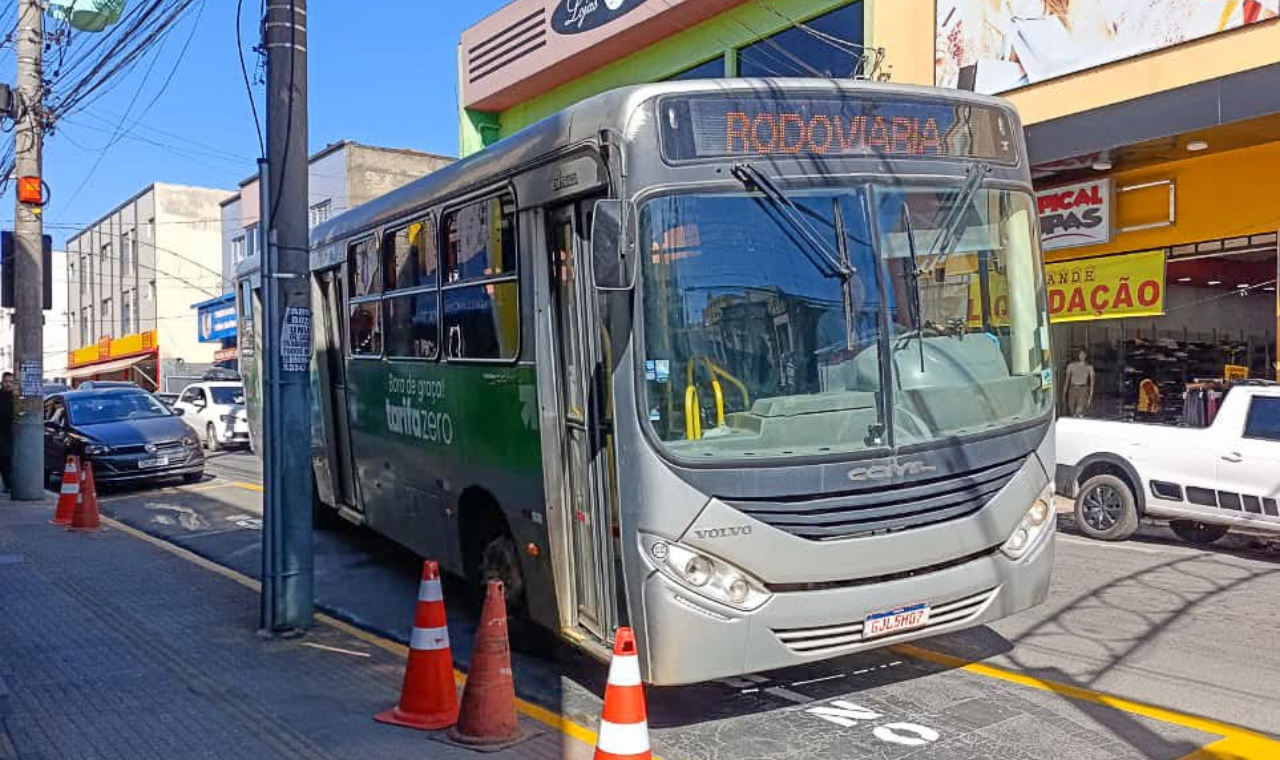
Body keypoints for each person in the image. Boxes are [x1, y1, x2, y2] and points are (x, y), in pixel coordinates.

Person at [1062, 349, 1094, 417]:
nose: (1082, 356)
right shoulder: (1071, 366)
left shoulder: (1089, 368)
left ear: (1086, 356)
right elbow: (1067, 381)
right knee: (1072, 410)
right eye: (1080, 354)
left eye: (1084, 354)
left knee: (1079, 410)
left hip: (1083, 389)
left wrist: (1090, 398)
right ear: (1078, 355)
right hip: (1072, 389)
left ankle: (1079, 419)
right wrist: (1064, 394)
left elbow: (1092, 384)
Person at [0, 372, 15, 493]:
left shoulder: (17, 397)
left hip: (15, 432)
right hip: (2, 433)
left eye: (11, 381)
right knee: (4, 458)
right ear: (2, 382)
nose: (8, 384)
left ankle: (9, 483)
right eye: (6, 381)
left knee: (10, 459)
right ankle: (8, 484)